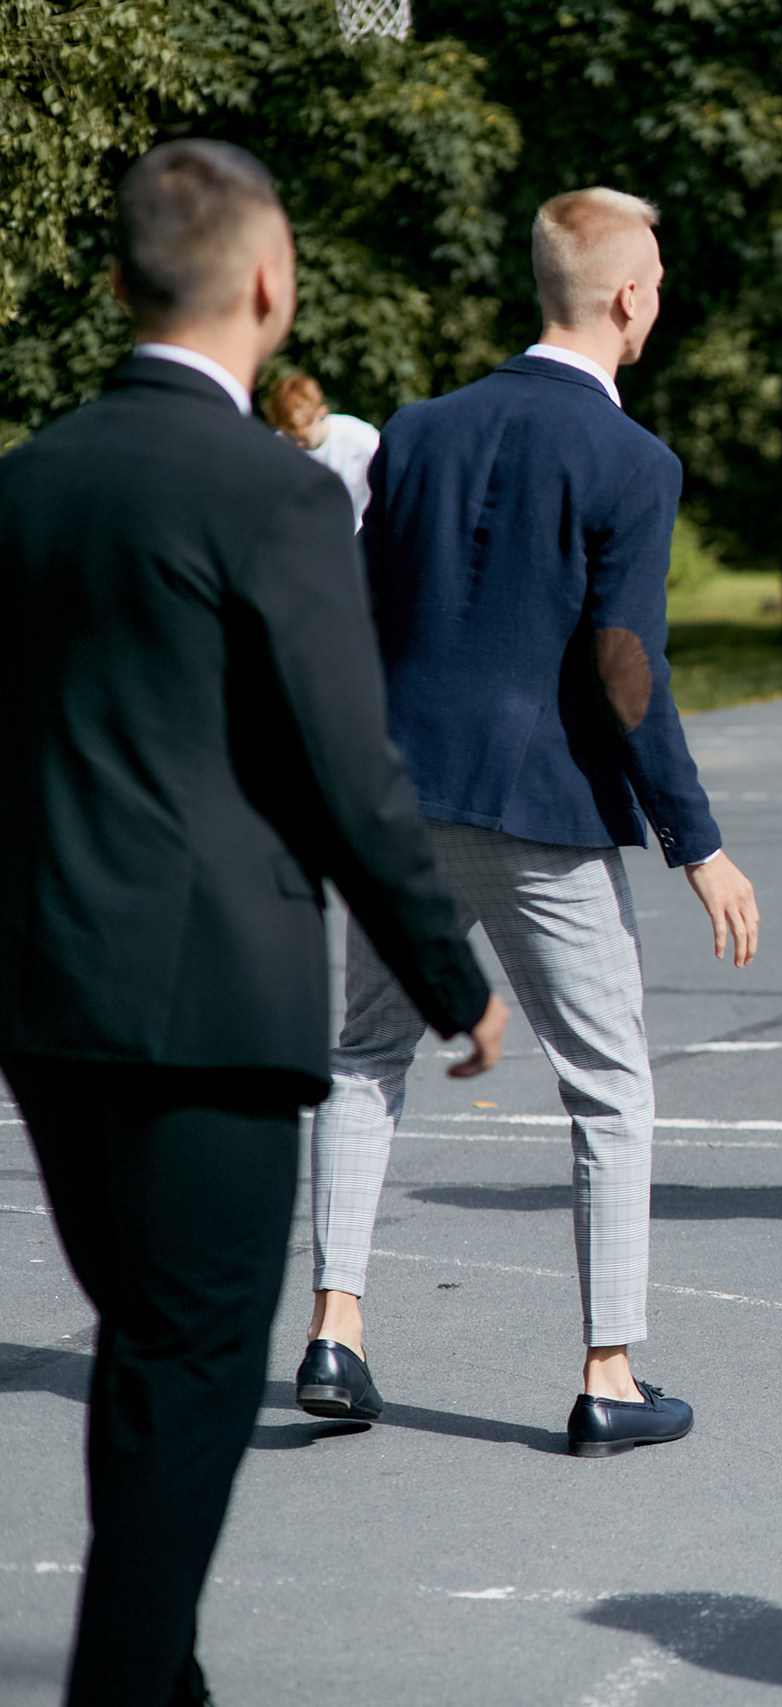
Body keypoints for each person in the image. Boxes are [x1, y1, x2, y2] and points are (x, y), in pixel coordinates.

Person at [0, 139, 504, 1706]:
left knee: (151, 1345)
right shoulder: (276, 493)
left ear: (116, 281)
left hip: (41, 997)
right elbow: (347, 770)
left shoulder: (25, 480)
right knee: (193, 1362)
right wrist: (448, 975)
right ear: (271, 288)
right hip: (208, 1005)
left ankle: (167, 1677)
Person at [301, 186, 759, 1458]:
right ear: (626, 299)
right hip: (545, 814)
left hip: (401, 806)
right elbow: (626, 668)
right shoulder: (634, 459)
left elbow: (370, 612)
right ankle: (609, 1372)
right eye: (656, 276)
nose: (658, 293)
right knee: (608, 1086)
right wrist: (698, 841)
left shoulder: (419, 429)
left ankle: (335, 1328)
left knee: (364, 1054)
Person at [262, 371, 379, 527]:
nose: (297, 445)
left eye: (303, 438)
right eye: (291, 437)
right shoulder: (276, 447)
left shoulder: (361, 439)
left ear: (321, 412)